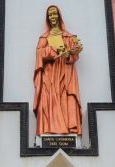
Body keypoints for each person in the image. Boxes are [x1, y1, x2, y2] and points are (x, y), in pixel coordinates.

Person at [33, 5, 83, 136]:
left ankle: (68, 129)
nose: (53, 17)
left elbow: (74, 56)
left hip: (66, 73)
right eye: (50, 15)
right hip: (50, 73)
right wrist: (53, 50)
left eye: (55, 14)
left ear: (59, 16)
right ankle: (50, 129)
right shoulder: (44, 37)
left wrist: (67, 55)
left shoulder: (69, 37)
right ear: (48, 18)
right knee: (50, 100)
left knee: (66, 98)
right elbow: (39, 53)